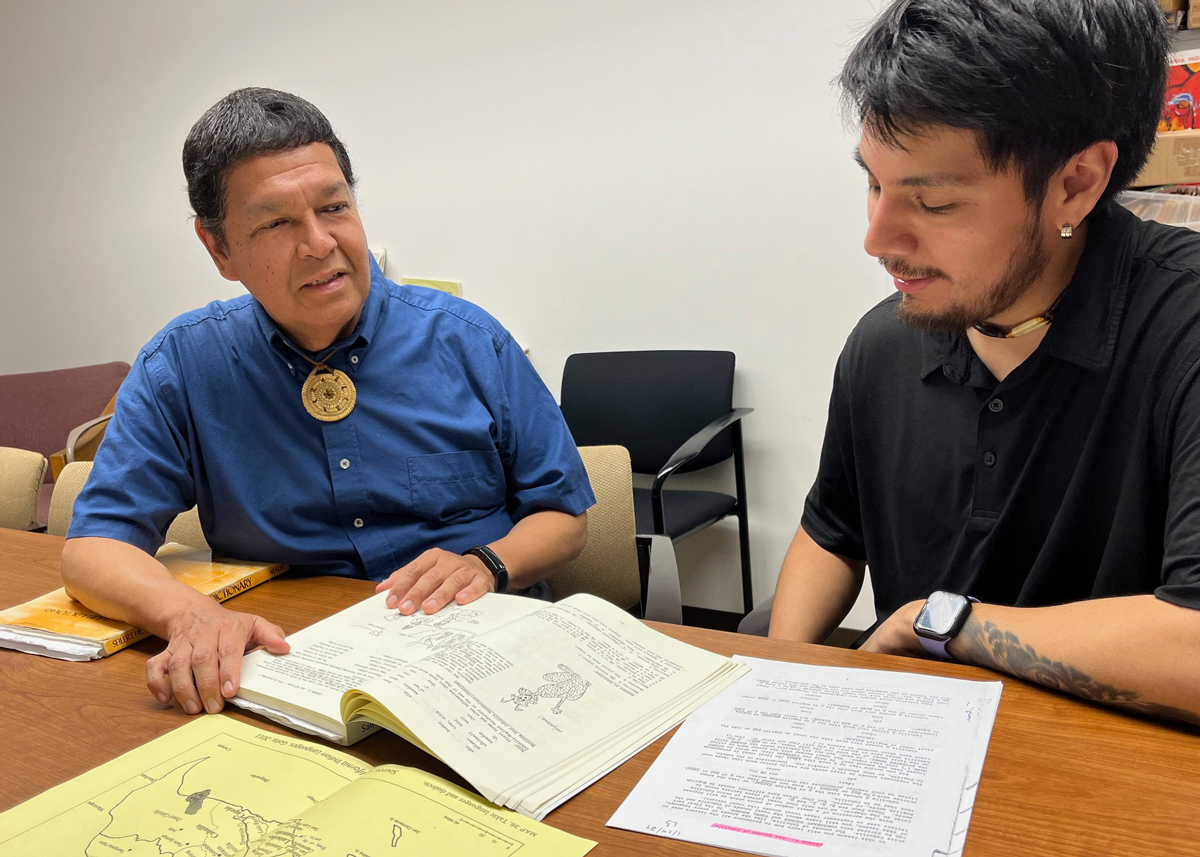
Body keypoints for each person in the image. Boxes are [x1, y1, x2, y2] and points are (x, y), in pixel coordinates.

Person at [60, 88, 594, 718]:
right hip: (293, 664)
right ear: (218, 249)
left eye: (333, 206)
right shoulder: (181, 365)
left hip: (488, 652)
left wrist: (487, 562)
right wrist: (188, 613)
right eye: (276, 223)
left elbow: (564, 515)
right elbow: (93, 547)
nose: (320, 243)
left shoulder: (468, 340)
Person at [764, 0, 1200, 726]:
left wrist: (945, 623)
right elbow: (831, 531)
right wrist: (782, 680)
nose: (876, 240)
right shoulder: (884, 345)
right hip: (914, 756)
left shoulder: (1181, 328)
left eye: (932, 202)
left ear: (1077, 183)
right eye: (873, 183)